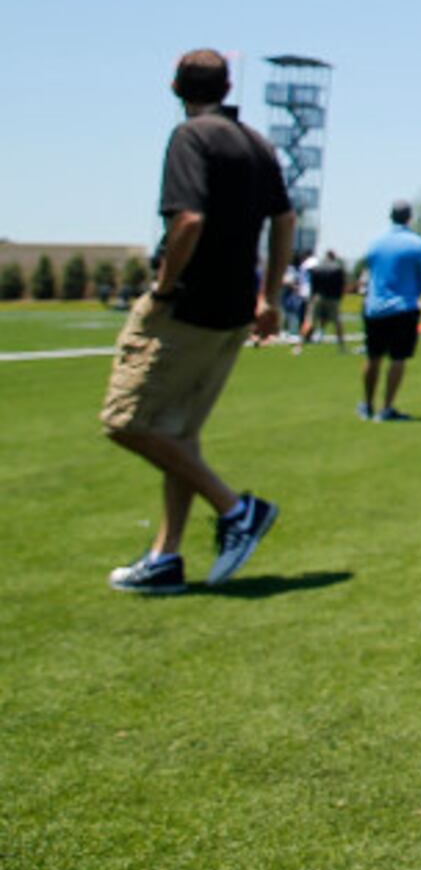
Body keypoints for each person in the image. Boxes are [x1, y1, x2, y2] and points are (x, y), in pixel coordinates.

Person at [100, 49, 289, 593]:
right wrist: (269, 296)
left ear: (175, 86)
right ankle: (166, 557)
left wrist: (163, 286)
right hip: (234, 308)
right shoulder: (257, 143)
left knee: (125, 421)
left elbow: (187, 219)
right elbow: (285, 220)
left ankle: (236, 509)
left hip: (187, 306)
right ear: (228, 86)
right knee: (178, 432)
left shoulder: (191, 137)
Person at [359, 200, 421, 422]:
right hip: (403, 308)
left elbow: (368, 272)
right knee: (398, 358)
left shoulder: (375, 243)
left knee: (373, 357)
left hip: (375, 307)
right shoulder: (417, 244)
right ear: (410, 217)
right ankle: (387, 407)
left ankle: (368, 404)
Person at [303, 247, 349, 351]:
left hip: (318, 297)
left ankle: (300, 345)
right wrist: (339, 297)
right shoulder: (338, 269)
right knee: (337, 322)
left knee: (310, 320)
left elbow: (313, 285)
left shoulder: (318, 268)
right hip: (333, 298)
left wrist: (312, 297)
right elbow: (341, 286)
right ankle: (342, 346)